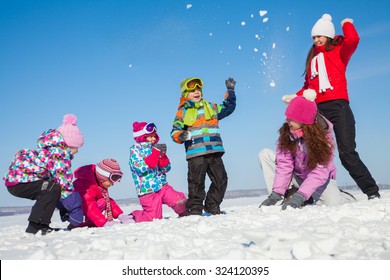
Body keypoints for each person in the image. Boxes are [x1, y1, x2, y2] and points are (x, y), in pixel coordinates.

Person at [282, 14, 380, 200]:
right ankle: (312, 191)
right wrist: (295, 96)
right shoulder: (312, 61)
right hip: (318, 111)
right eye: (313, 37)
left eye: (320, 35)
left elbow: (353, 39)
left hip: (339, 108)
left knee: (347, 153)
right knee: (313, 152)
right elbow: (308, 87)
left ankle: (372, 191)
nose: (316, 39)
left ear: (328, 36)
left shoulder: (339, 52)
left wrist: (346, 24)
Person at [259, 90, 355, 210]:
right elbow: (284, 165)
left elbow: (320, 172)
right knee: (265, 154)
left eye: (290, 118)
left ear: (303, 120)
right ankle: (286, 194)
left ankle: (340, 195)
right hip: (297, 176)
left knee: (334, 203)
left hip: (319, 180)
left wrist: (301, 195)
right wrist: (276, 193)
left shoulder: (324, 138)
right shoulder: (287, 134)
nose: (286, 120)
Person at [3, 114, 84, 235]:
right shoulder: (59, 155)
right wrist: (75, 213)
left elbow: (57, 189)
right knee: (52, 188)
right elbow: (65, 186)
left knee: (52, 188)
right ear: (68, 144)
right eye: (76, 146)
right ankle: (35, 225)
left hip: (18, 182)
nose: (77, 151)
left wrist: (63, 208)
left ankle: (42, 225)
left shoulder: (51, 153)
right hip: (19, 183)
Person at [171, 77, 236, 215]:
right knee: (196, 184)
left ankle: (212, 205)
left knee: (221, 180)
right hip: (196, 153)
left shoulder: (211, 107)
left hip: (214, 151)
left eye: (198, 89)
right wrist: (180, 135)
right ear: (184, 94)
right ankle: (195, 210)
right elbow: (174, 131)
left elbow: (228, 108)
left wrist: (230, 91)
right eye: (192, 90)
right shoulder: (183, 112)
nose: (196, 92)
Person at [129, 122, 187, 222]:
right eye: (150, 136)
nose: (153, 139)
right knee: (153, 218)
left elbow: (166, 169)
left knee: (179, 201)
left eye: (154, 136)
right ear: (142, 137)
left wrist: (163, 157)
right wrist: (155, 154)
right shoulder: (136, 151)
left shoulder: (155, 149)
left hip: (162, 186)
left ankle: (186, 213)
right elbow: (141, 168)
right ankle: (134, 216)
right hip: (148, 191)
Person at [72, 158, 134, 228]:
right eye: (111, 180)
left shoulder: (99, 184)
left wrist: (121, 216)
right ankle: (79, 224)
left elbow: (108, 201)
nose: (112, 184)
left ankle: (91, 222)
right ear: (103, 177)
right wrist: (104, 223)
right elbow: (89, 206)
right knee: (98, 203)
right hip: (76, 213)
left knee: (103, 201)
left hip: (86, 211)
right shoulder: (86, 185)